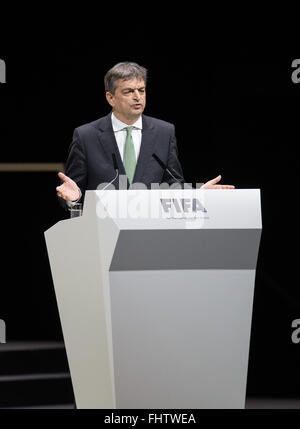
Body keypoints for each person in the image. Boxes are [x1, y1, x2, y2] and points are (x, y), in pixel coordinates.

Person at [56, 62, 234, 208]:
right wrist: (73, 198)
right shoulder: (86, 136)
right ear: (110, 98)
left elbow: (174, 185)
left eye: (141, 90)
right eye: (128, 91)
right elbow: (72, 191)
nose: (137, 97)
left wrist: (198, 195)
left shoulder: (164, 132)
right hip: (102, 234)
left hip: (152, 235)